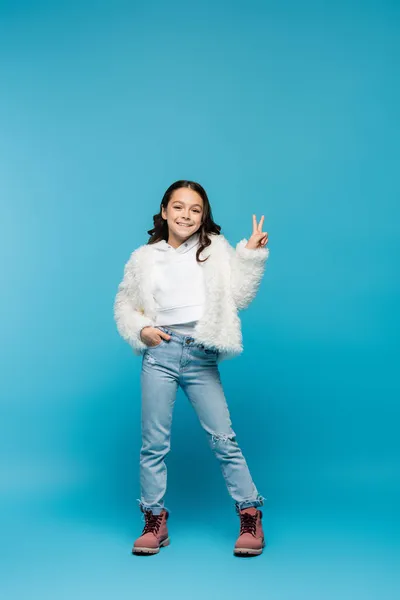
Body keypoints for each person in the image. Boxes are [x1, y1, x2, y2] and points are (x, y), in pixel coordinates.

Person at [113, 179, 270, 556]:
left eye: (195, 209)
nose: (186, 215)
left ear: (204, 217)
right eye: (179, 207)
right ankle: (154, 520)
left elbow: (240, 299)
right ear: (165, 211)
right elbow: (125, 304)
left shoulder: (215, 250)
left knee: (223, 439)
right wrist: (141, 329)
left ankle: (250, 514)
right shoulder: (144, 258)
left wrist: (249, 256)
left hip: (201, 355)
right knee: (153, 444)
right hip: (161, 355)